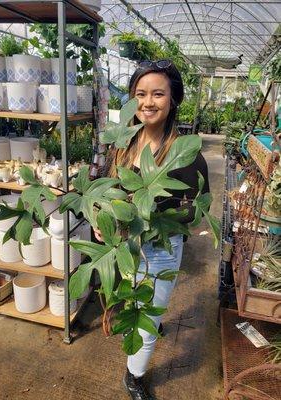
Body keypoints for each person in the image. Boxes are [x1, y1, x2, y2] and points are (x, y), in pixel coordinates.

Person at [95, 60, 210, 400]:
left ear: (173, 100)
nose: (148, 102)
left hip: (160, 247)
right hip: (123, 244)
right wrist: (104, 221)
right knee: (129, 305)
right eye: (140, 94)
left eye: (158, 94)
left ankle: (134, 376)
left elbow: (198, 208)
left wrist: (164, 216)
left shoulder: (185, 153)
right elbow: (108, 191)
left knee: (144, 322)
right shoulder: (123, 143)